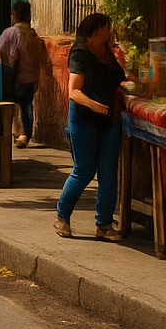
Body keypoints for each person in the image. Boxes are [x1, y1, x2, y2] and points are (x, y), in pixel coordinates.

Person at [55, 12, 128, 242]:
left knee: (108, 172)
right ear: (95, 33)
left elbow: (117, 78)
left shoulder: (108, 52)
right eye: (107, 28)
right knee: (84, 170)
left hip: (109, 120)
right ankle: (62, 216)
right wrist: (94, 105)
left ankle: (104, 224)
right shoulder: (80, 54)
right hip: (84, 119)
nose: (110, 32)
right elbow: (73, 91)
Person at [0, 0, 43, 147]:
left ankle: (9, 132)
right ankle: (25, 134)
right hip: (31, 79)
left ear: (14, 15)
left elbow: (1, 52)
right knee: (26, 106)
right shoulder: (33, 36)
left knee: (9, 105)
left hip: (13, 78)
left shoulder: (9, 33)